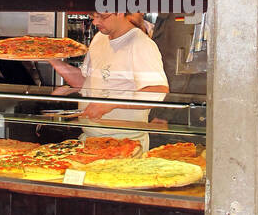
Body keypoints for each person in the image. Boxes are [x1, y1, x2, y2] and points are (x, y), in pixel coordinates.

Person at [50, 9, 169, 143]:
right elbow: (85, 81)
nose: (95, 22)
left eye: (101, 16)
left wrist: (110, 104)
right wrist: (51, 59)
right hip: (90, 140)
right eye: (93, 16)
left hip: (124, 142)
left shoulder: (141, 44)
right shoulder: (100, 38)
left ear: (120, 12)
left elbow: (157, 92)